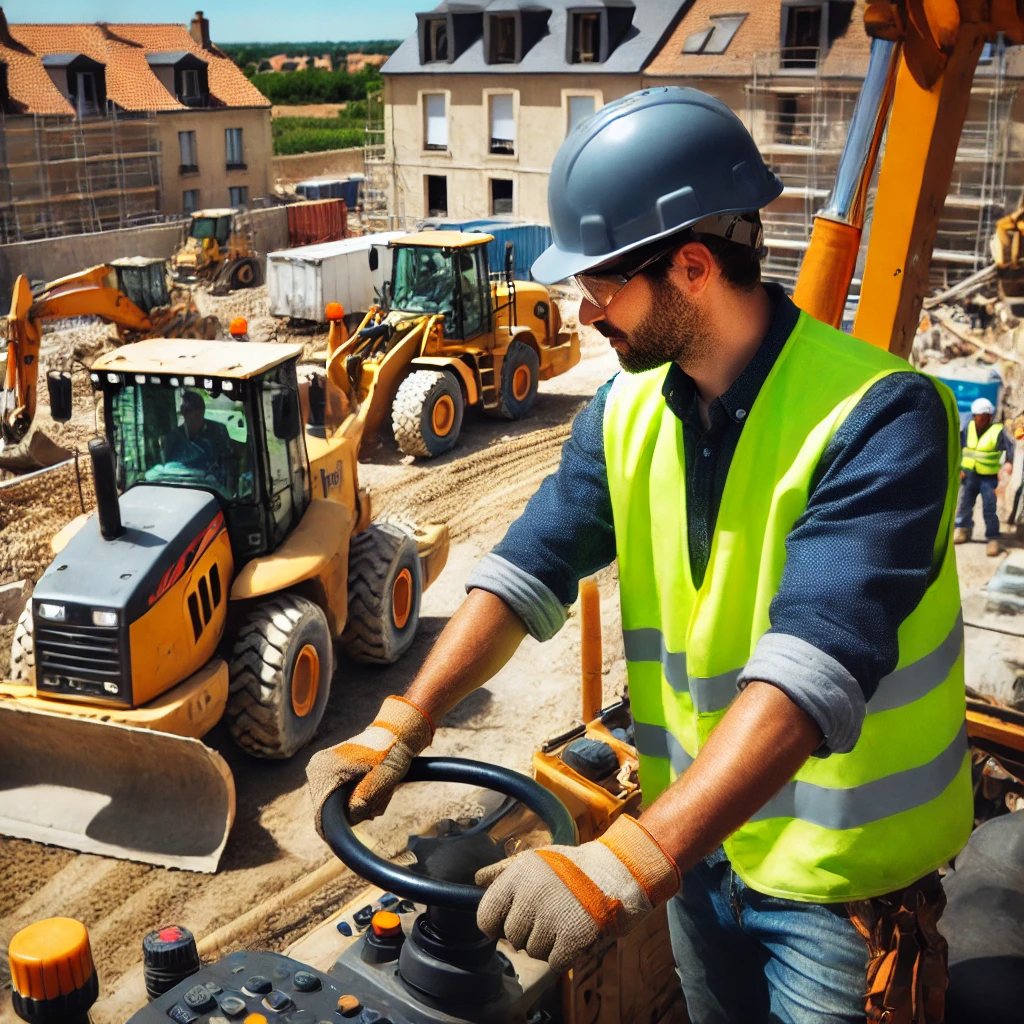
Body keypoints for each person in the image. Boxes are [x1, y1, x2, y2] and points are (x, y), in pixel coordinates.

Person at [307, 87, 972, 1023]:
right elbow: (522, 570)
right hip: (700, 861)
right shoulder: (625, 414)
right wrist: (403, 722)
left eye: (602, 286)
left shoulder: (883, 418)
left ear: (693, 267)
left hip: (838, 891)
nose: (584, 315)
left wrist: (625, 862)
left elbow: (812, 673)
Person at [954, 396, 1015, 556]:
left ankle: (993, 539)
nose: (978, 420)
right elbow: (959, 448)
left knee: (989, 508)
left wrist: (1008, 466)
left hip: (989, 477)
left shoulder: (998, 431)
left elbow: (1009, 451)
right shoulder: (968, 428)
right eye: (976, 416)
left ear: (989, 417)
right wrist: (959, 468)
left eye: (982, 417)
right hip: (969, 475)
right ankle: (963, 530)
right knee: (964, 505)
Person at [161, 390, 231, 476]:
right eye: (192, 417)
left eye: (199, 416)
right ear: (184, 414)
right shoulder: (173, 438)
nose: (196, 421)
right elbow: (169, 468)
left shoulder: (219, 431)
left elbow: (227, 463)